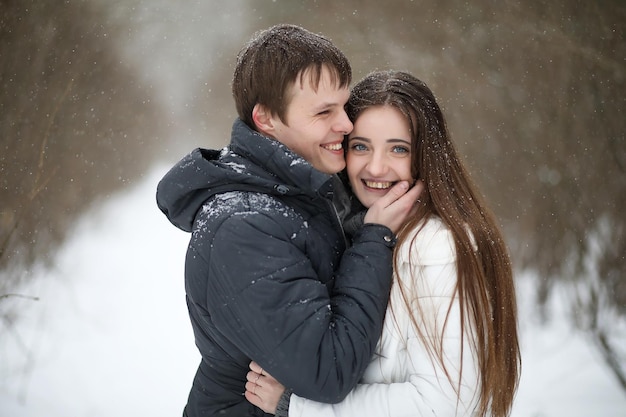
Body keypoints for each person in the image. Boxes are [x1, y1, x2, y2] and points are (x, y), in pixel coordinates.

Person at [156, 26, 422, 417]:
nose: (347, 126)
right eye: (323, 112)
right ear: (266, 119)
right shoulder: (244, 227)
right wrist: (374, 238)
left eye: (344, 107)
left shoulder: (309, 194)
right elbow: (326, 372)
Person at [245, 70, 521, 417]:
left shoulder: (432, 247)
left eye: (398, 149)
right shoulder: (364, 234)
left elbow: (445, 402)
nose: (375, 167)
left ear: (425, 157)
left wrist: (297, 406)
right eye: (361, 146)